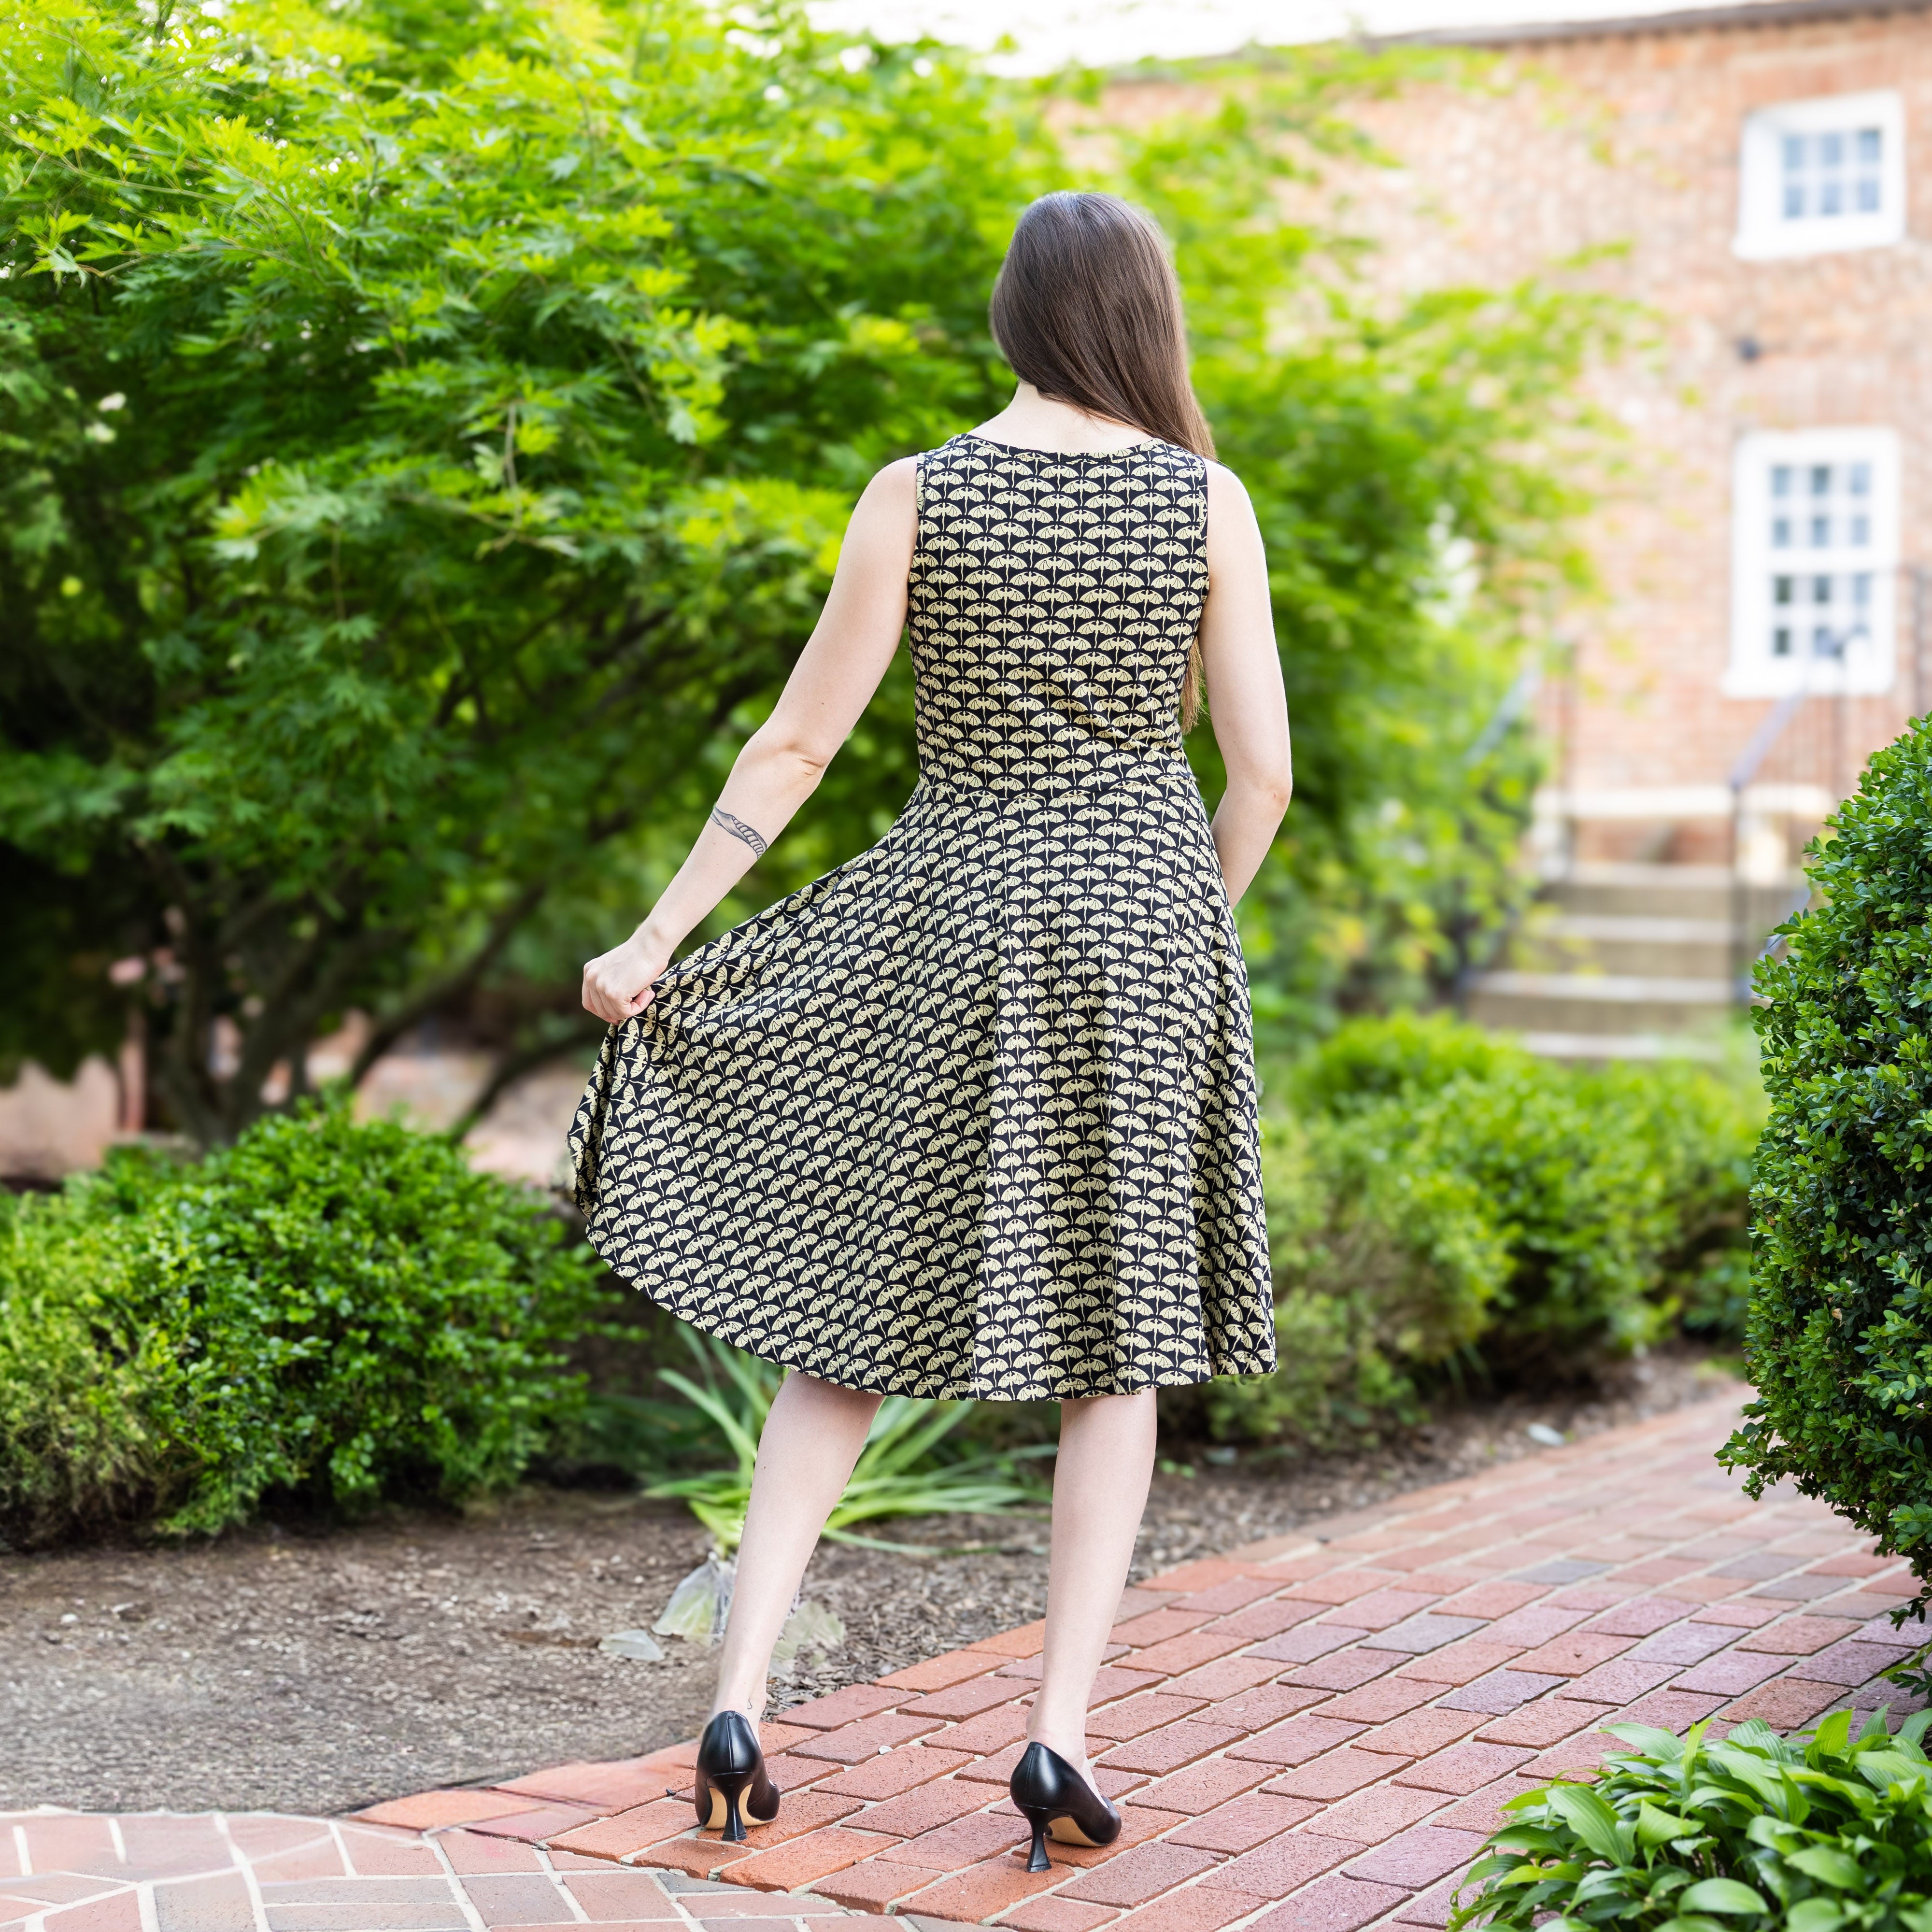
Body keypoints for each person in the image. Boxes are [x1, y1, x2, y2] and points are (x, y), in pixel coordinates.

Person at [573, 189, 1293, 1871]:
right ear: (1146, 317)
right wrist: (1175, 926)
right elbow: (1261, 776)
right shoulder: (1206, 499)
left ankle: (738, 1703)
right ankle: (1058, 1739)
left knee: (845, 1322)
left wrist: (658, 935)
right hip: (1140, 922)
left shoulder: (919, 489)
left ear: (1015, 315)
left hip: (946, 914)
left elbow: (795, 747)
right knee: (1115, 1351)